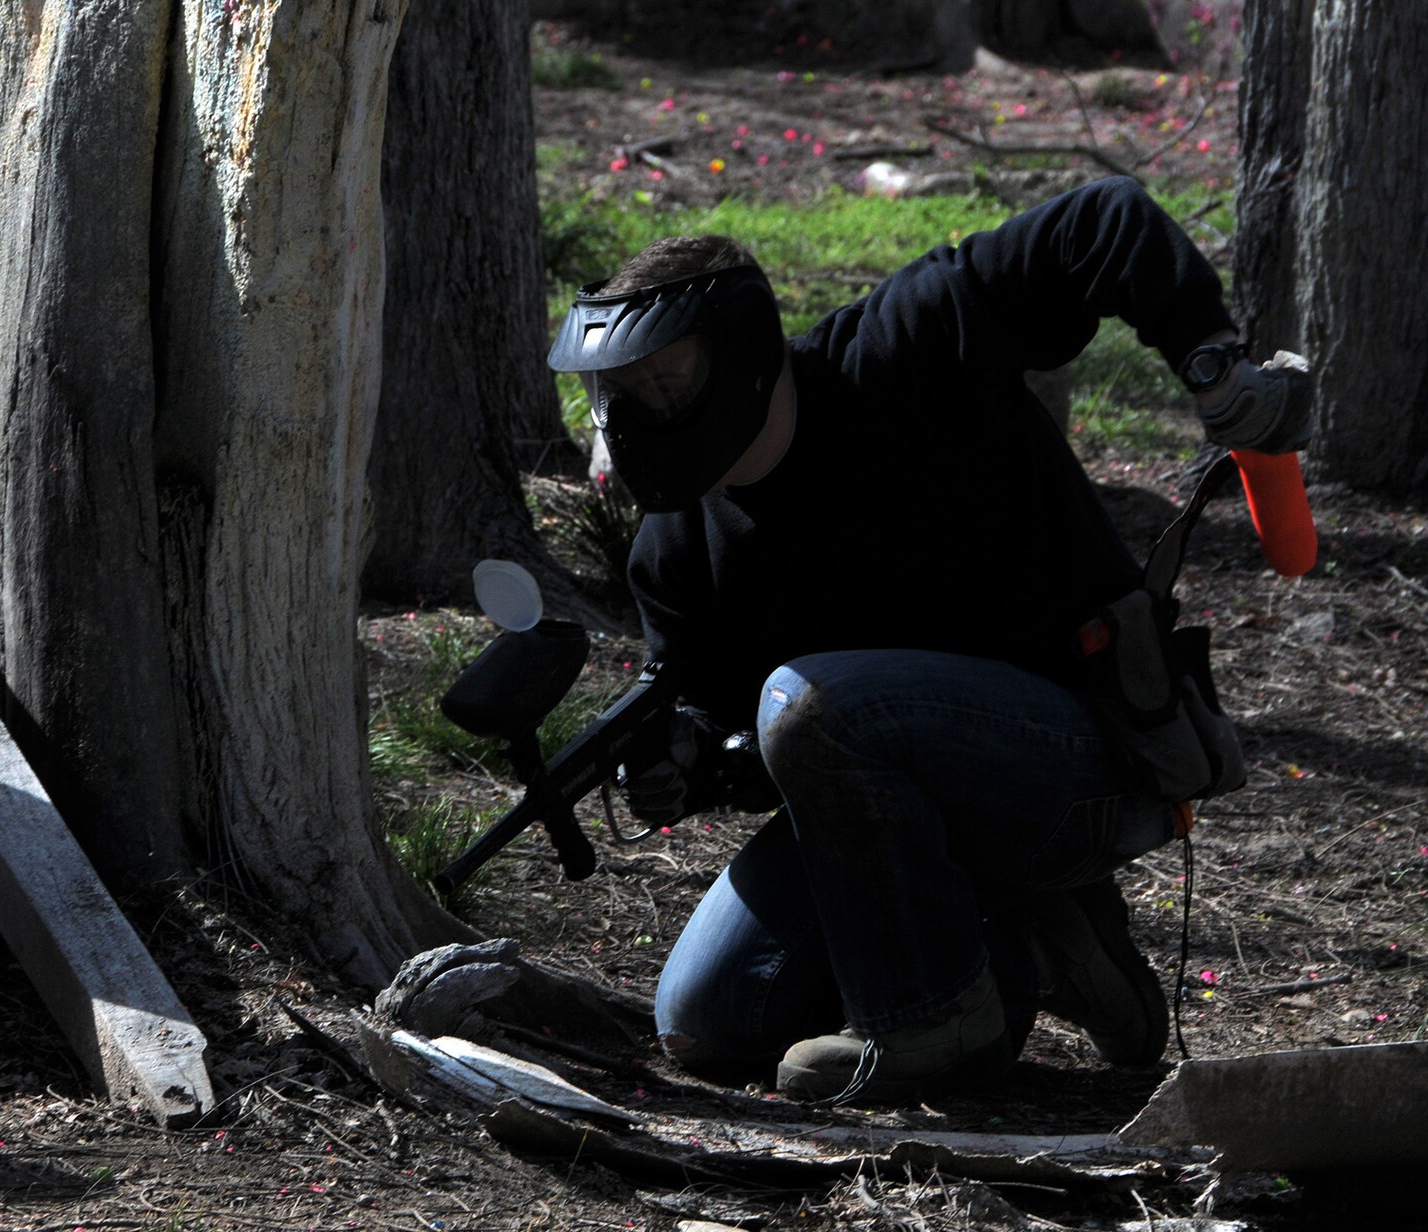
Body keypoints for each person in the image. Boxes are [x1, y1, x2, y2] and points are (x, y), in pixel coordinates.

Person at [546, 177, 1310, 1105]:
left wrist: (1214, 370)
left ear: (744, 352)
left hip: (1084, 759)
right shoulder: (673, 549)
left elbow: (1106, 222)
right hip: (899, 809)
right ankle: (1033, 950)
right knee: (712, 1018)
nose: (638, 419)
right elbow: (746, 739)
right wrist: (691, 759)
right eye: (618, 396)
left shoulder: (905, 344)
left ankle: (931, 1022)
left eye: (665, 385)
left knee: (812, 700)